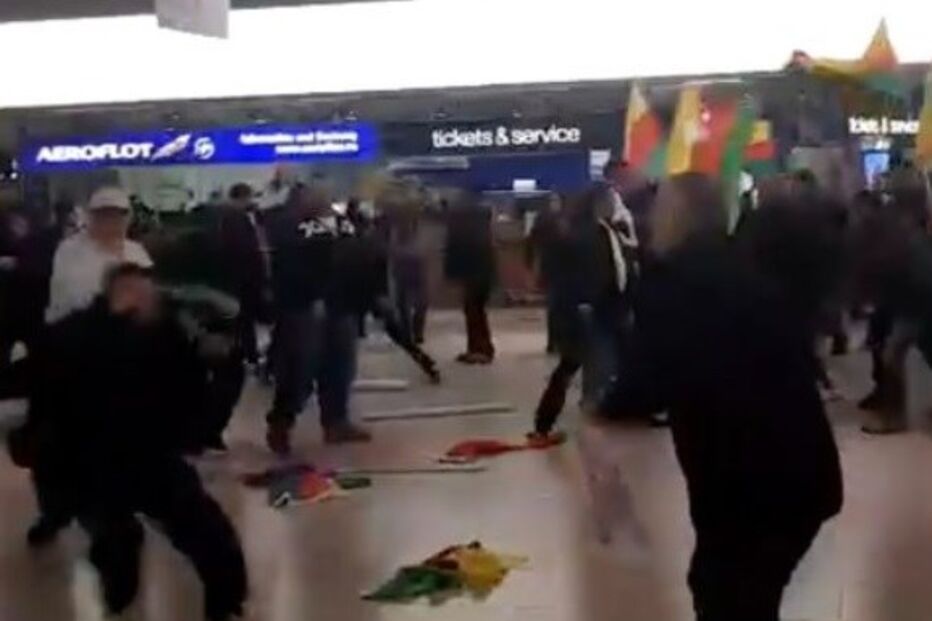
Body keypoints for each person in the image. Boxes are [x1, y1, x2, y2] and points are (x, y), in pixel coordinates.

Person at [594, 174, 843, 621]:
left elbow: (646, 381)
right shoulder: (742, 267)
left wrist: (603, 414)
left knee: (726, 594)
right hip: (801, 472)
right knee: (738, 593)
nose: (650, 220)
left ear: (678, 218)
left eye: (661, 209)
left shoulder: (676, 282)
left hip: (750, 484)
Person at [13, 264, 247, 620]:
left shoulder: (169, 333)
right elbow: (37, 386)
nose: (149, 299)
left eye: (149, 293)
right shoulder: (72, 335)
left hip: (150, 455)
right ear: (118, 294)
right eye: (140, 292)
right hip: (90, 461)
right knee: (117, 543)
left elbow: (199, 389)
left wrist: (222, 368)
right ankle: (119, 600)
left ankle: (225, 603)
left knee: (208, 534)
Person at [265, 185, 372, 455]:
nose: (324, 200)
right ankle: (282, 423)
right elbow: (288, 266)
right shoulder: (288, 226)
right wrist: (311, 296)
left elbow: (354, 254)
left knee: (340, 365)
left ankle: (336, 421)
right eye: (317, 196)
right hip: (303, 306)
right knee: (299, 369)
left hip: (340, 302)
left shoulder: (339, 223)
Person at [531, 187, 636, 439]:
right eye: (610, 200)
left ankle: (547, 422)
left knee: (577, 366)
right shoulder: (583, 235)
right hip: (591, 310)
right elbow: (580, 274)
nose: (614, 205)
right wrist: (582, 304)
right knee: (593, 365)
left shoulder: (609, 231)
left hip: (609, 308)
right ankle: (589, 422)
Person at [46, 186, 152, 324]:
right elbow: (73, 297)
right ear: (92, 217)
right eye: (104, 215)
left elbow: (148, 291)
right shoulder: (70, 250)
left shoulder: (136, 250)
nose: (111, 222)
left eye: (118, 215)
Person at [217, 184, 267, 366]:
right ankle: (249, 354)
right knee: (245, 320)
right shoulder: (236, 218)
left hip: (237, 278)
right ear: (242, 197)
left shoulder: (226, 217)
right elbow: (246, 249)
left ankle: (248, 353)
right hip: (244, 278)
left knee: (243, 320)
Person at [444, 194, 496, 364]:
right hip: (483, 276)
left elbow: (456, 252)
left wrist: (451, 274)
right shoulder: (482, 233)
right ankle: (480, 348)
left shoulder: (465, 232)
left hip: (474, 276)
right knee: (476, 311)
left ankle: (479, 349)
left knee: (473, 311)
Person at [526, 193, 565, 354]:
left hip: (551, 266)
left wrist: (530, 262)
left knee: (555, 307)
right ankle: (557, 341)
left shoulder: (542, 219)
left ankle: (554, 342)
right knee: (557, 306)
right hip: (557, 266)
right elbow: (532, 243)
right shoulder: (562, 219)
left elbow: (531, 242)